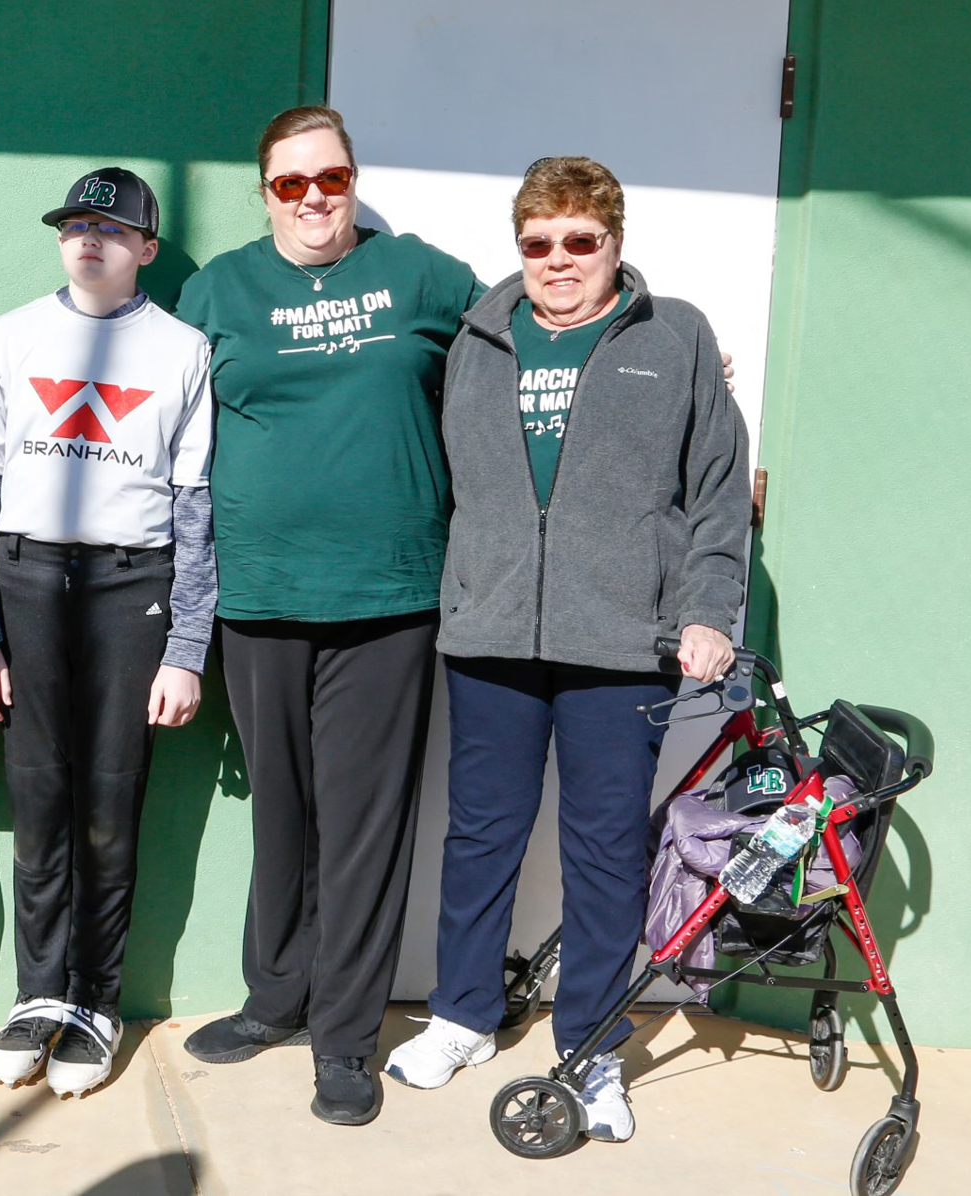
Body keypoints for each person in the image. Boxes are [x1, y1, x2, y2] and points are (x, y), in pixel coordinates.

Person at [384, 156, 748, 1143]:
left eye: (578, 240)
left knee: (600, 853)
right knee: (478, 834)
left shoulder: (670, 336)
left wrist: (709, 610)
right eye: (536, 242)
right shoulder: (475, 338)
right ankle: (460, 1010)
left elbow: (714, 494)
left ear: (613, 243)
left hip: (619, 641)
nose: (556, 260)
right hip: (491, 633)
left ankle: (588, 1046)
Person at [172, 106, 484, 1127]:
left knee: (361, 828)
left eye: (330, 177)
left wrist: (649, 346)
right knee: (281, 813)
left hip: (385, 598)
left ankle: (344, 1037)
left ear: (352, 179)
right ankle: (275, 998)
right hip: (257, 596)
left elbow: (529, 340)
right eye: (289, 183)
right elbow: (163, 414)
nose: (312, 198)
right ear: (263, 192)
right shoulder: (216, 288)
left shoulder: (420, 277)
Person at [0, 168, 216, 1097]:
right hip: (27, 581)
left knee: (110, 804)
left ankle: (96, 1002)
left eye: (111, 227)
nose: (88, 238)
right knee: (37, 799)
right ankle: (37, 997)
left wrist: (186, 649)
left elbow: (195, 509)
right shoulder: (8, 337)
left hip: (129, 583)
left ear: (146, 247)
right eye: (75, 223)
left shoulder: (183, 350)